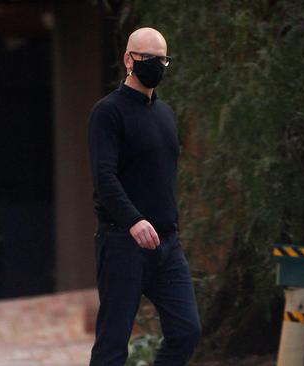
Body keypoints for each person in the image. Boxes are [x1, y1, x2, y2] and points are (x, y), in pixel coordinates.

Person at [87, 27, 201, 366]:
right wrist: (134, 220)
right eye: (147, 58)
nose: (156, 65)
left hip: (167, 245)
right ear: (128, 60)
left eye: (162, 59)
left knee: (187, 331)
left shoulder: (166, 114)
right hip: (123, 243)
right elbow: (104, 177)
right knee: (113, 343)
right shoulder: (108, 112)